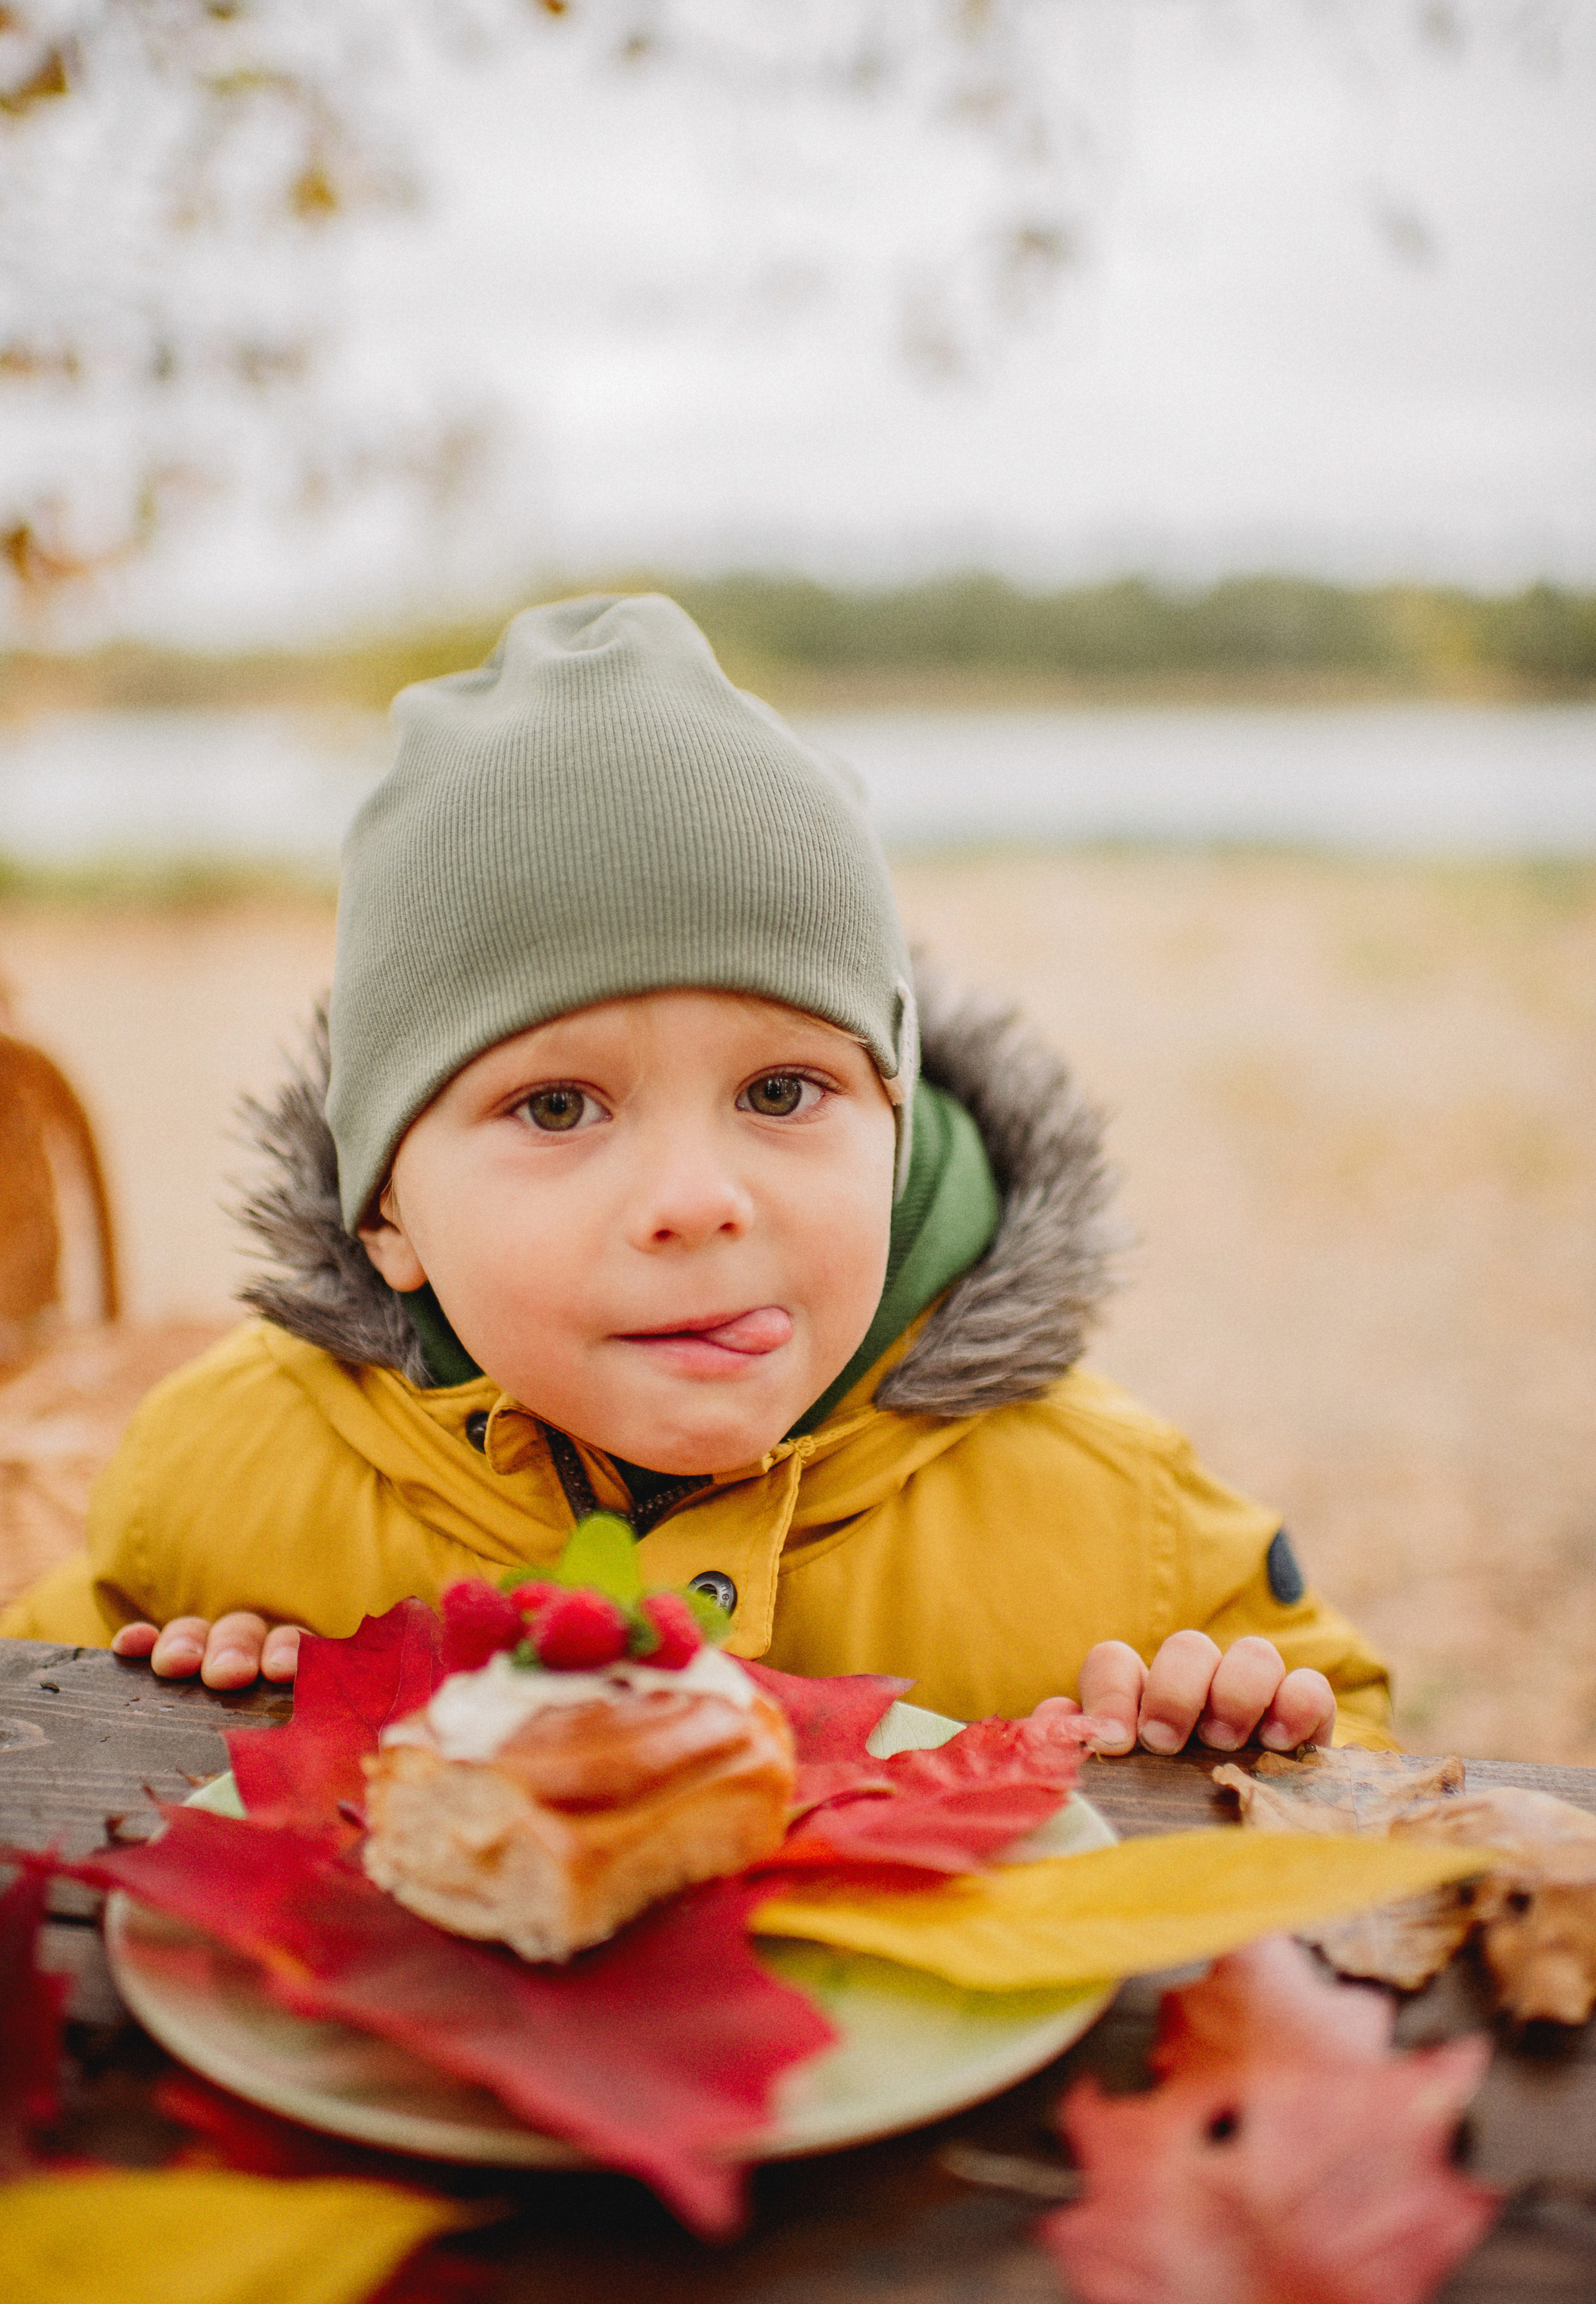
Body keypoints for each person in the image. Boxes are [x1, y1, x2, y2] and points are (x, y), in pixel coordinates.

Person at [1, 595, 1392, 1755]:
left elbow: (1370, 1774)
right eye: (557, 1106)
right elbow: (42, 1715)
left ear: (893, 1122)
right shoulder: (228, 1475)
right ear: (386, 1212)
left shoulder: (1109, 1512)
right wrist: (161, 1692)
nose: (695, 1199)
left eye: (780, 1092)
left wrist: (1236, 1735)